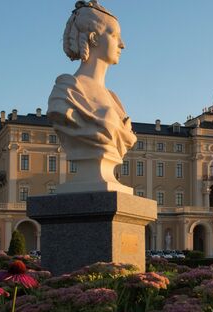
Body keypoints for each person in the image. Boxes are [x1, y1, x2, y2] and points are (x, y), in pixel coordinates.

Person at [48, 1, 136, 193]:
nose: (122, 44)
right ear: (94, 38)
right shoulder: (66, 93)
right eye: (115, 35)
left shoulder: (114, 100)